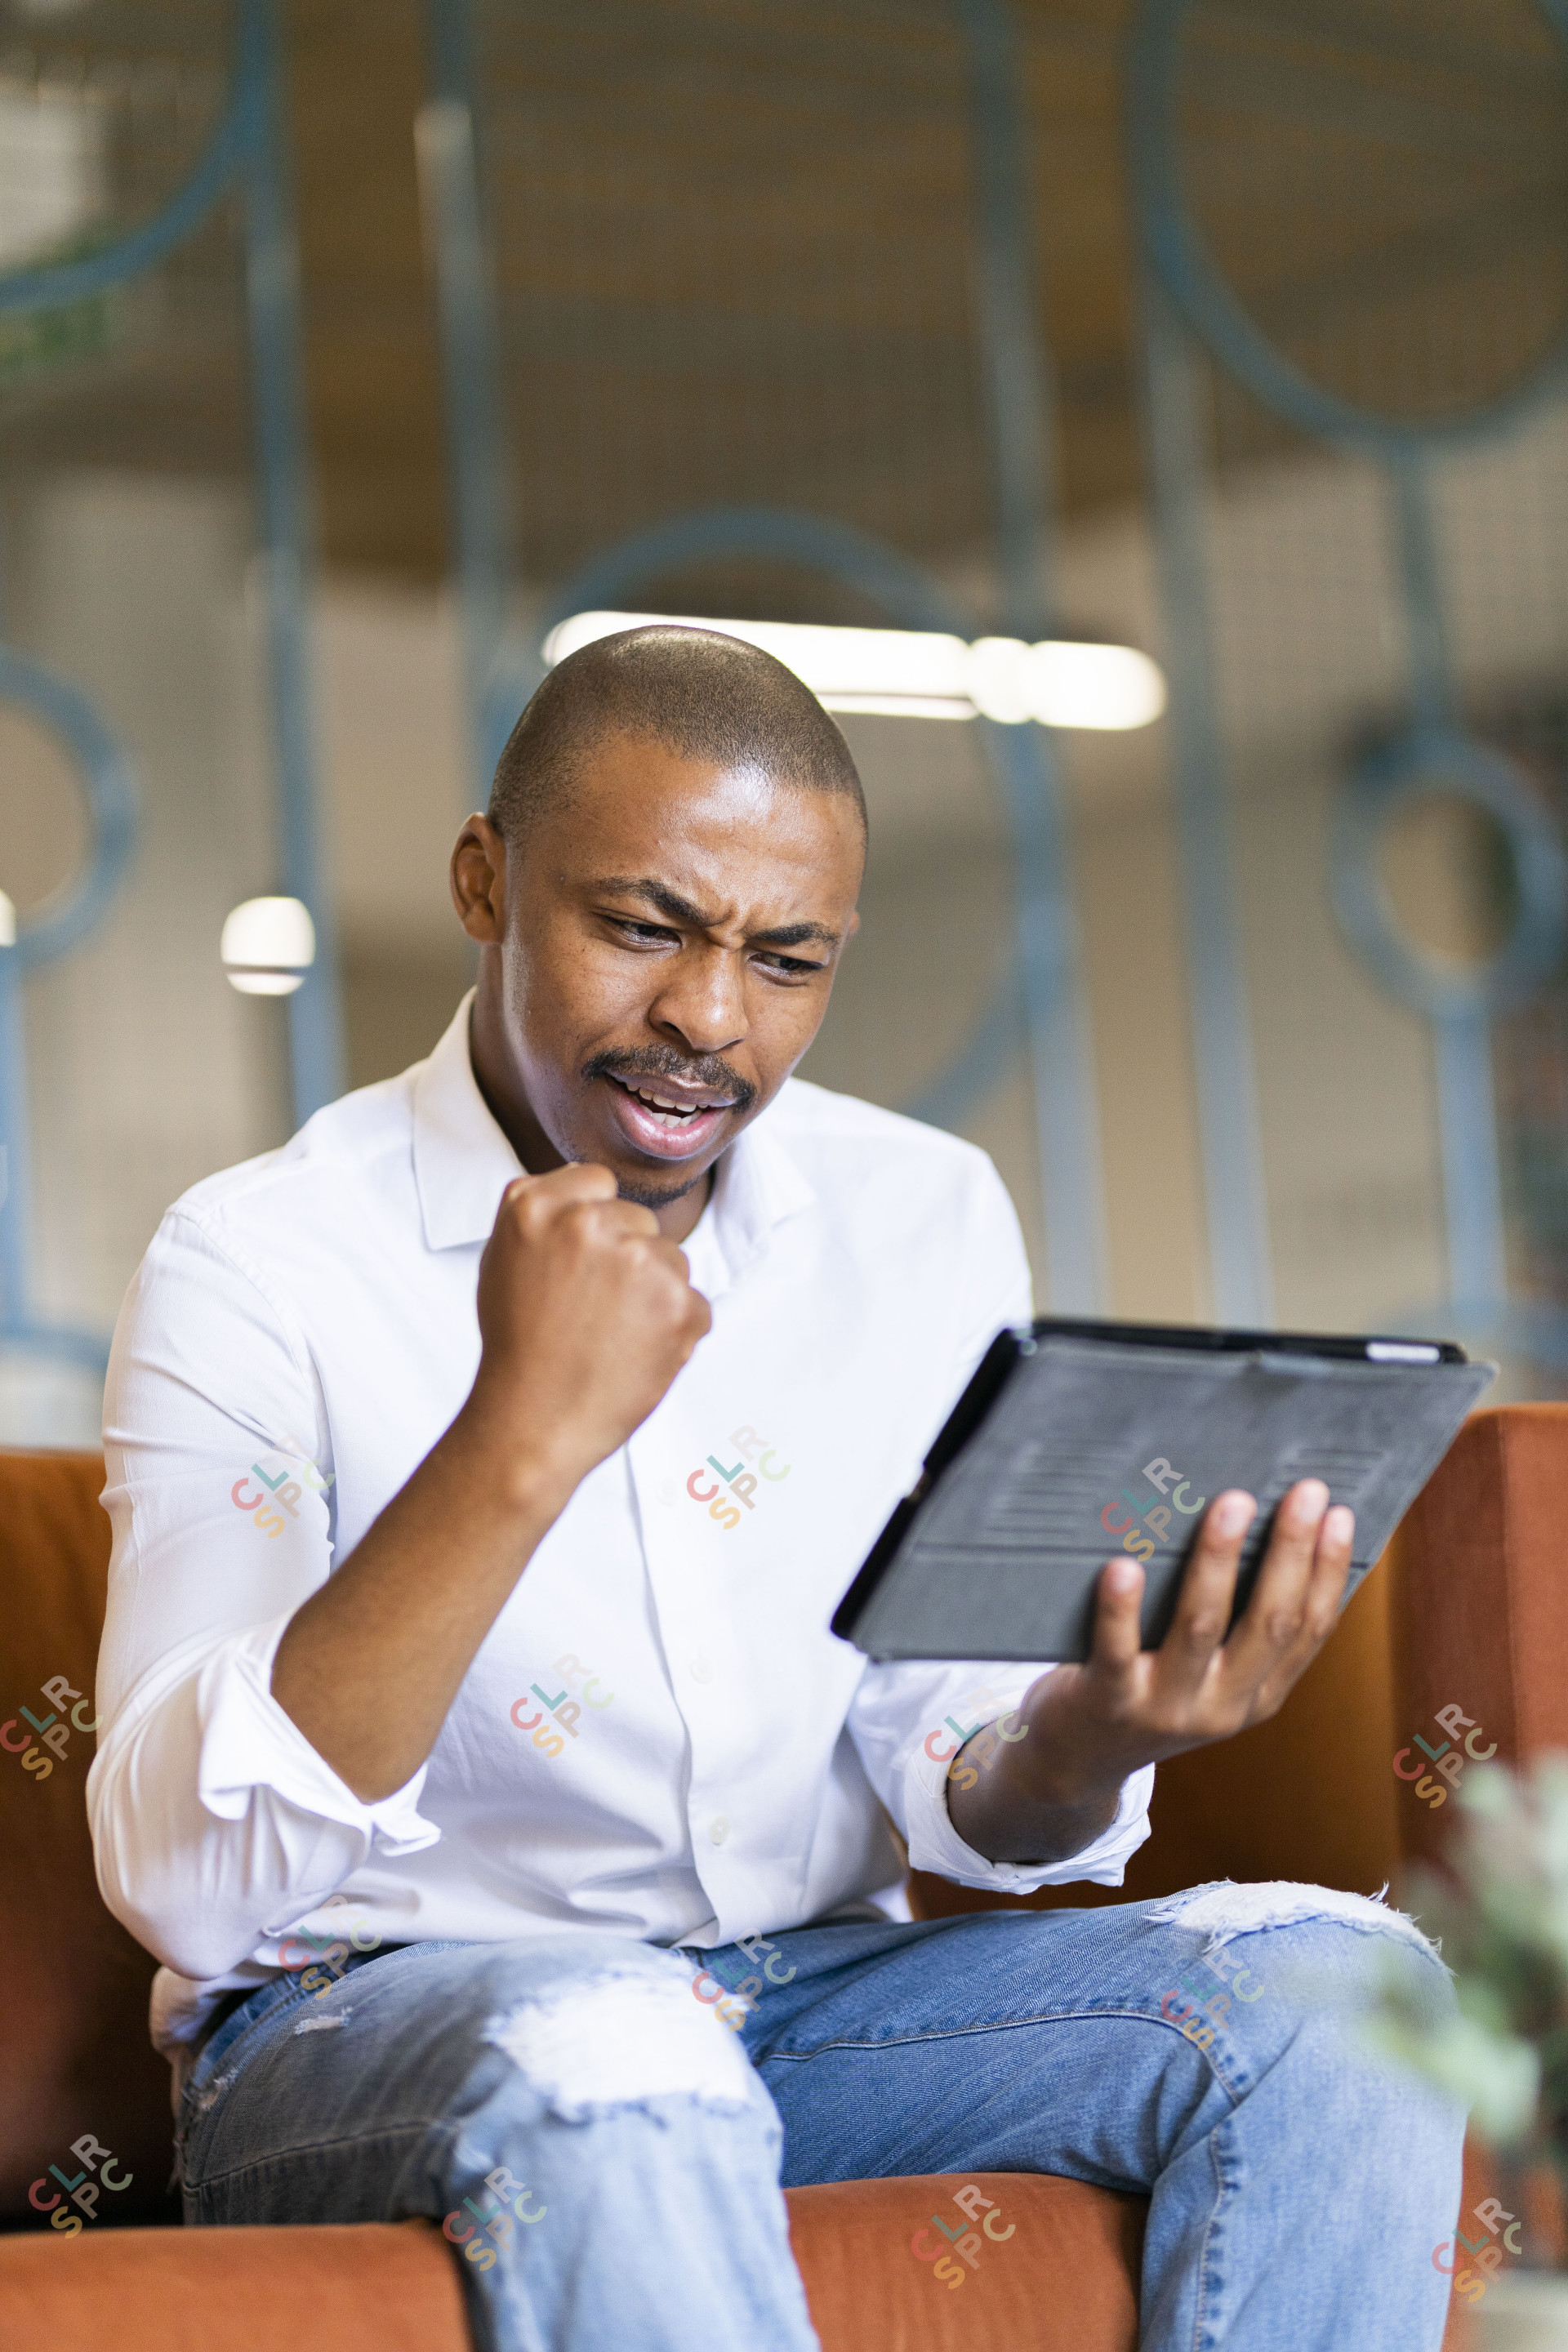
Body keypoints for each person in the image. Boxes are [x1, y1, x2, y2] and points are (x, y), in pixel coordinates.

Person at [90, 626, 1460, 2351]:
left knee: (1345, 1989)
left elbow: (954, 1756)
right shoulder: (260, 1258)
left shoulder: (922, 1211)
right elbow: (188, 1885)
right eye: (642, 926)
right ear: (483, 879)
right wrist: (518, 1439)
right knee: (622, 2036)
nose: (709, 1019)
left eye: (787, 957)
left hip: (813, 2000)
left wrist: (1098, 1735)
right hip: (358, 2032)